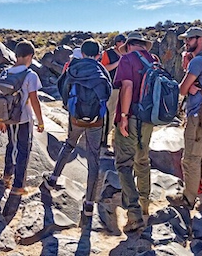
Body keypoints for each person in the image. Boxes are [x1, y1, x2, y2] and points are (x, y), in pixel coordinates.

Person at [41, 39, 112, 220]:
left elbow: (62, 86)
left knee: (69, 144)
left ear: (82, 52)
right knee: (93, 157)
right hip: (96, 120)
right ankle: (89, 204)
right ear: (99, 54)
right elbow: (108, 92)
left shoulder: (74, 67)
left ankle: (52, 180)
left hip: (76, 117)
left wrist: (69, 107)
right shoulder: (101, 70)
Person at [167, 27, 202, 212]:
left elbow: (182, 89)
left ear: (200, 40)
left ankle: (188, 199)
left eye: (190, 39)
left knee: (190, 158)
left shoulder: (197, 61)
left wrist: (186, 83)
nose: (186, 42)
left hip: (198, 117)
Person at [113, 31, 156, 233]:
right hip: (148, 119)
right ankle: (145, 205)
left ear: (129, 45)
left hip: (130, 117)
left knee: (123, 164)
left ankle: (134, 215)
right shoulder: (153, 60)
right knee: (143, 160)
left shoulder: (127, 59)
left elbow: (127, 87)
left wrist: (123, 116)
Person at [0, 40, 45, 196]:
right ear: (30, 56)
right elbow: (34, 100)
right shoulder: (30, 75)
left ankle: (6, 176)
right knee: (23, 150)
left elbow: (0, 97)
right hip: (23, 119)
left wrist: (0, 119)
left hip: (7, 117)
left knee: (11, 145)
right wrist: (40, 121)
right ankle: (18, 186)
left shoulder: (5, 72)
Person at [100, 34, 126, 155]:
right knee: (110, 113)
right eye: (121, 42)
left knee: (122, 114)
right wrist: (119, 62)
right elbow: (104, 68)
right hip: (112, 87)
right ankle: (104, 139)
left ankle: (117, 140)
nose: (123, 43)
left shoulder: (127, 53)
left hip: (124, 87)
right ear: (116, 43)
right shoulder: (108, 53)